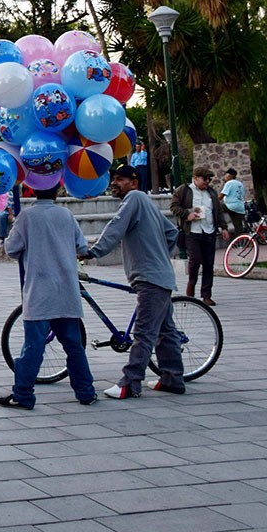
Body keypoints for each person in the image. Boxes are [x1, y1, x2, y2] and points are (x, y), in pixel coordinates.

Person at [81, 164, 184, 399]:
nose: (114, 183)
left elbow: (115, 227)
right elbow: (172, 234)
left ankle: (130, 383)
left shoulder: (134, 198)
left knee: (144, 332)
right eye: (114, 179)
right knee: (166, 331)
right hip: (160, 275)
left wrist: (93, 252)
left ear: (134, 183)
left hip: (150, 278)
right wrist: (159, 255)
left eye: (120, 179)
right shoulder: (146, 201)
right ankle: (172, 378)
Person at [0, 184, 96, 409]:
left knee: (33, 346)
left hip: (39, 291)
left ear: (34, 190)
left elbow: (11, 249)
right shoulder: (66, 215)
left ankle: (23, 394)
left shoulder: (26, 217)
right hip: (67, 290)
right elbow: (81, 247)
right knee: (74, 345)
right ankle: (86, 391)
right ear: (57, 192)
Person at [170, 166, 229, 307]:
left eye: (209, 179)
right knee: (195, 260)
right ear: (195, 178)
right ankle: (191, 287)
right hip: (192, 232)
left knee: (208, 263)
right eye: (204, 179)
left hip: (209, 231)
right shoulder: (184, 190)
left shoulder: (211, 193)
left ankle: (206, 295)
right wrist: (187, 214)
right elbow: (174, 207)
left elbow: (218, 211)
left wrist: (224, 227)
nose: (207, 182)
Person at [220, 168, 247, 236]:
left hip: (231, 206)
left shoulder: (229, 183)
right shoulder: (240, 183)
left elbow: (221, 195)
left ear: (230, 176)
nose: (225, 177)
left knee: (217, 207)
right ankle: (241, 240)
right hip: (240, 208)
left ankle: (220, 226)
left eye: (226, 175)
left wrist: (214, 201)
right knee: (238, 227)